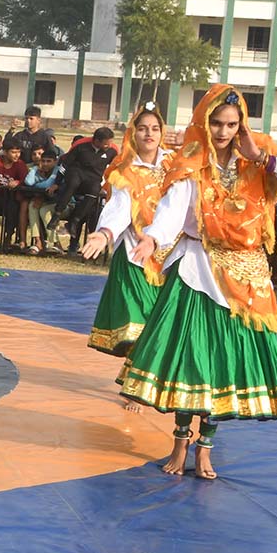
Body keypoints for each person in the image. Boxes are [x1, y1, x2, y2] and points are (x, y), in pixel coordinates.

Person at [123, 85, 277, 480]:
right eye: (216, 122)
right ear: (203, 121)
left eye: (232, 124)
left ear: (241, 124)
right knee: (190, 361)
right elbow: (173, 210)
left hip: (245, 277)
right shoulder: (191, 160)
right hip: (196, 270)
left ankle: (207, 448)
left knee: (223, 365)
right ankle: (179, 442)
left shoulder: (260, 156)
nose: (223, 131)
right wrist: (152, 237)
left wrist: (261, 157)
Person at [79, 102, 174, 370]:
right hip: (136, 256)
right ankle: (135, 376)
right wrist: (103, 234)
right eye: (142, 128)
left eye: (155, 128)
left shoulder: (174, 164)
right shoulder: (125, 170)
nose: (149, 134)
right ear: (133, 133)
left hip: (169, 255)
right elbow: (120, 207)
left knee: (161, 321)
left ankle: (146, 377)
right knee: (139, 322)